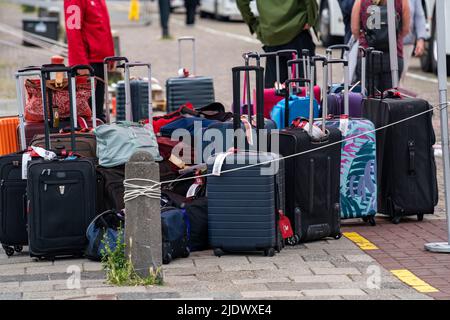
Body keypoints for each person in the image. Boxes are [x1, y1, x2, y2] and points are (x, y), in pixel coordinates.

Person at [237, 0, 318, 88]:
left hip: (271, 35)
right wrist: (310, 20)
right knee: (304, 88)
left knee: (274, 90)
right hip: (297, 31)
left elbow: (241, 2)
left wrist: (253, 23)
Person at [64, 0, 115, 122]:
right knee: (88, 116)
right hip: (87, 64)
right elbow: (73, 30)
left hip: (99, 61)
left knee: (98, 113)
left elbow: (104, 27)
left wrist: (110, 55)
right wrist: (80, 64)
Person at [351, 0, 410, 92]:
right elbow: (405, 29)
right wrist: (393, 38)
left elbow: (355, 30)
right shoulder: (402, 2)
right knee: (389, 96)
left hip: (368, 55)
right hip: (393, 56)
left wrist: (366, 38)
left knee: (368, 97)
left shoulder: (360, 2)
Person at [400, 0, 427, 86]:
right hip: (384, 42)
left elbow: (419, 16)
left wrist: (421, 39)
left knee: (399, 77)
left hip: (406, 43)